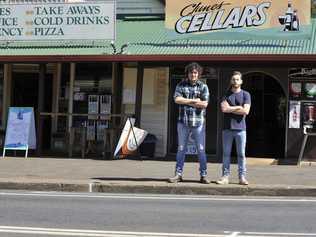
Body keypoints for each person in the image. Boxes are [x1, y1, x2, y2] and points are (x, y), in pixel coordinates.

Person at [168, 62, 210, 184]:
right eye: (191, 72)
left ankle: (203, 175)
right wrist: (193, 101)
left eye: (195, 72)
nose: (193, 74)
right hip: (183, 122)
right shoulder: (181, 85)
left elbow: (204, 104)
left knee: (201, 149)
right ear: (188, 73)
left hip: (198, 123)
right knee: (181, 148)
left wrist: (186, 101)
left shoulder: (203, 87)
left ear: (199, 74)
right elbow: (176, 99)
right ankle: (178, 174)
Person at [216, 71, 251, 185]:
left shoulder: (246, 94)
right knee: (226, 154)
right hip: (227, 129)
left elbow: (246, 111)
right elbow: (224, 109)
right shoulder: (225, 94)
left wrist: (231, 108)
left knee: (241, 154)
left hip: (241, 129)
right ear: (231, 81)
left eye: (237, 79)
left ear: (241, 81)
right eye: (233, 79)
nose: (235, 81)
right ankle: (225, 177)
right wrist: (238, 108)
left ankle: (242, 177)